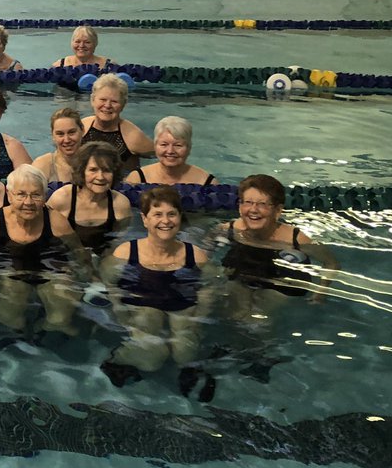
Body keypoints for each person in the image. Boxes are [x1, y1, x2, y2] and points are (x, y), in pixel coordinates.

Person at [99, 186, 217, 399]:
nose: (166, 221)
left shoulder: (196, 256)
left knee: (185, 354)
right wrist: (122, 315)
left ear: (180, 217)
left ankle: (187, 368)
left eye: (171, 214)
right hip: (141, 305)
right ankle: (118, 359)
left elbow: (210, 286)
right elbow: (110, 283)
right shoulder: (126, 253)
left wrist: (199, 318)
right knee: (152, 357)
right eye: (158, 214)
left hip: (181, 304)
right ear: (145, 219)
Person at [217, 176, 340, 380]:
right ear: (240, 206)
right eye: (248, 202)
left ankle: (264, 355)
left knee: (257, 318)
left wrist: (321, 292)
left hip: (284, 281)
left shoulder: (295, 238)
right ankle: (236, 348)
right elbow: (204, 248)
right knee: (234, 315)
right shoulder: (231, 229)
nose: (253, 210)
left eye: (262, 204)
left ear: (278, 210)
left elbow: (331, 263)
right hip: (247, 272)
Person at [0, 165, 95, 339]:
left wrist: (90, 278)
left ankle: (45, 332)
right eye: (21, 194)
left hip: (51, 271)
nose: (28, 202)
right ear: (9, 195)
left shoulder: (56, 221)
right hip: (11, 272)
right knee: (8, 315)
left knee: (60, 319)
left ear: (44, 196)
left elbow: (78, 252)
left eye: (36, 195)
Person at [47, 141, 132, 257]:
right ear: (82, 171)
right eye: (93, 170)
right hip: (62, 258)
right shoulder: (62, 198)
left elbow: (116, 245)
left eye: (106, 170)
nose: (100, 177)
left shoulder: (120, 204)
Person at [79, 73, 153, 174]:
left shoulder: (133, 136)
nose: (107, 105)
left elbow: (160, 157)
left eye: (114, 101)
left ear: (123, 105)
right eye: (103, 100)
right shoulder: (82, 128)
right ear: (92, 100)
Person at [124, 116, 217, 186]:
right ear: (155, 147)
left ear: (189, 148)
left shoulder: (207, 182)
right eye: (164, 145)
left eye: (178, 145)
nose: (170, 151)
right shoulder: (137, 179)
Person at [31, 106, 85, 185]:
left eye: (71, 132)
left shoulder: (94, 163)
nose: (66, 140)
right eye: (60, 134)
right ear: (53, 136)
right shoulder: (42, 166)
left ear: (83, 130)